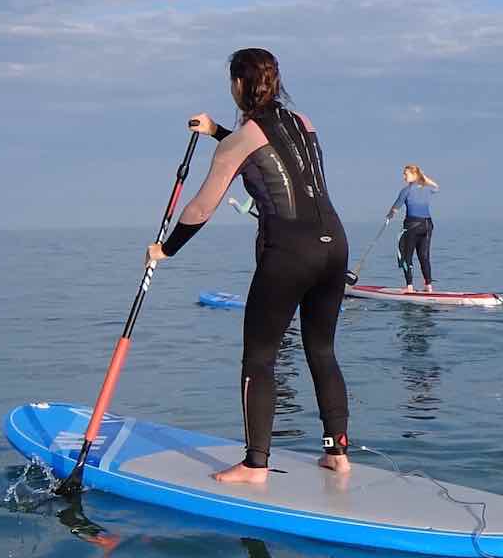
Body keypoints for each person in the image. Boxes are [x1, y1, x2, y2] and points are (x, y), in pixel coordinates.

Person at [145, 48, 350, 484]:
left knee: (259, 358)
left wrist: (167, 249)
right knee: (322, 350)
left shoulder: (242, 140)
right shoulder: (304, 123)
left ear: (239, 85)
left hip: (290, 253)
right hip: (335, 247)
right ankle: (337, 452)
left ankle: (256, 465)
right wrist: (218, 131)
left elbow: (202, 206)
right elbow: (266, 152)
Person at [389, 164, 439, 293]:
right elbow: (436, 187)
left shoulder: (406, 190)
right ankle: (429, 286)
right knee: (424, 256)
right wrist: (424, 177)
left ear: (414, 175)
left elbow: (396, 207)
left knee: (406, 256)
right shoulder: (428, 188)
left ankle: (409, 287)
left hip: (412, 226)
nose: (404, 176)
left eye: (406, 174)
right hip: (428, 225)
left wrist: (390, 214)